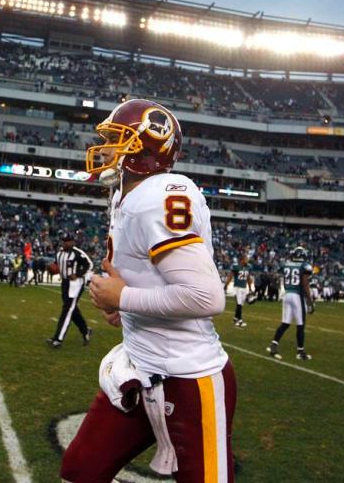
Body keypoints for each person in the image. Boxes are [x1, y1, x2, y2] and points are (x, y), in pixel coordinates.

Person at [63, 99, 235, 482]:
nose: (105, 149)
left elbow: (206, 297)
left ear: (146, 148)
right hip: (139, 368)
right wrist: (126, 308)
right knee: (80, 471)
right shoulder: (127, 194)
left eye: (117, 140)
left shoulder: (158, 197)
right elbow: (151, 277)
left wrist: (121, 298)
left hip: (190, 379)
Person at [267, 246, 315, 361]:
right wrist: (310, 301)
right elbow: (305, 283)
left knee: (285, 323)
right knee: (300, 324)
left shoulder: (286, 264)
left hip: (287, 294)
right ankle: (300, 352)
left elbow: (276, 273)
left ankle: (274, 344)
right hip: (297, 295)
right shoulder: (305, 266)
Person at [46, 233, 93, 348]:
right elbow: (58, 266)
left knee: (67, 310)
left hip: (75, 284)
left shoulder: (78, 253)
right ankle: (85, 330)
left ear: (72, 242)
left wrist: (77, 274)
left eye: (67, 241)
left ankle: (58, 339)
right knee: (72, 310)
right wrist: (53, 269)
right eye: (64, 241)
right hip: (65, 283)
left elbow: (89, 264)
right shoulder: (59, 253)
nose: (65, 243)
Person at [225, 254, 253, 328]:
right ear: (242, 260)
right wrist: (226, 285)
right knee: (239, 304)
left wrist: (250, 289)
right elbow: (230, 276)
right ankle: (240, 320)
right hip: (237, 287)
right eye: (246, 259)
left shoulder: (248, 267)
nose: (247, 260)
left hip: (244, 287)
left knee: (240, 304)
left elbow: (249, 278)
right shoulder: (236, 267)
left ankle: (235, 318)